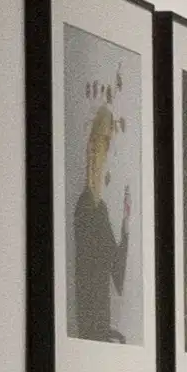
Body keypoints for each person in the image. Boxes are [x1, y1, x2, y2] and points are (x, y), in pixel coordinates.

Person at [68, 101, 131, 342]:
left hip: (100, 324)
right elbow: (90, 272)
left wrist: (126, 226)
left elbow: (118, 274)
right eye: (96, 143)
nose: (98, 151)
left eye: (104, 143)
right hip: (89, 324)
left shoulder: (100, 209)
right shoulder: (84, 207)